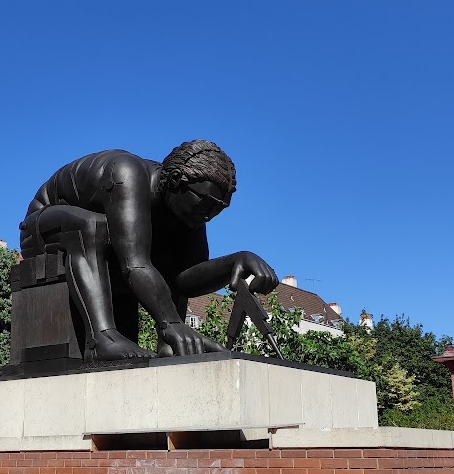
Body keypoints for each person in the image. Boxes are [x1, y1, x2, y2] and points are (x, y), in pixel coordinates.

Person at [20, 139, 278, 360]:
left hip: (104, 248)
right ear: (176, 180)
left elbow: (186, 280)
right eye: (206, 203)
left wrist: (235, 262)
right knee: (92, 226)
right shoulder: (127, 173)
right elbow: (135, 264)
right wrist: (172, 323)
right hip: (41, 229)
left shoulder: (189, 211)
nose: (209, 215)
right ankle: (100, 338)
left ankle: (168, 347)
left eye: (218, 208)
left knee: (160, 249)